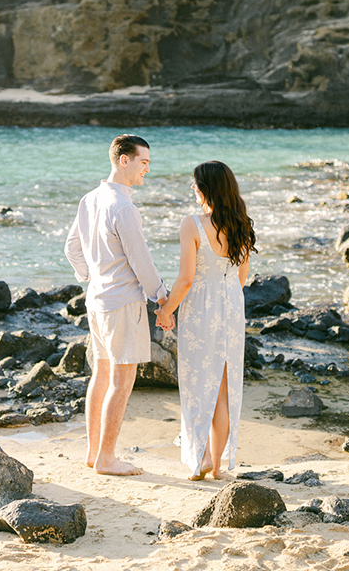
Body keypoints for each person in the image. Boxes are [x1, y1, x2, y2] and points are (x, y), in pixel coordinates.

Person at [65, 134, 169, 476]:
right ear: (123, 160)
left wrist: (93, 275)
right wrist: (161, 296)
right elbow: (141, 260)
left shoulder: (90, 199)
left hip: (97, 299)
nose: (147, 170)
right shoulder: (123, 207)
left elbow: (72, 249)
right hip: (123, 302)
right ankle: (107, 459)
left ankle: (94, 453)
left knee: (102, 374)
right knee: (122, 381)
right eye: (143, 162)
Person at [155, 161, 256, 480]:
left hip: (200, 306)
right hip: (231, 305)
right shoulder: (241, 224)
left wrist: (166, 309)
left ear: (205, 189)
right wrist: (226, 299)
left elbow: (185, 279)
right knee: (224, 389)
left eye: (194, 184)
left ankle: (200, 460)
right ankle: (214, 461)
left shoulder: (193, 224)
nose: (192, 189)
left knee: (198, 383)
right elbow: (242, 274)